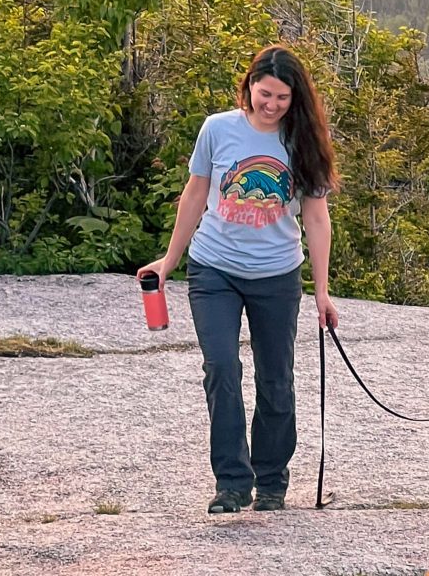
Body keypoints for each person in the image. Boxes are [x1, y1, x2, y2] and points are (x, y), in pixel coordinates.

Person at [137, 43, 339, 514]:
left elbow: (317, 219)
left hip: (277, 276)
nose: (270, 105)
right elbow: (195, 195)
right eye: (263, 93)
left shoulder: (302, 140)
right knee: (222, 369)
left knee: (276, 382)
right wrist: (169, 262)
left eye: (282, 98)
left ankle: (271, 481)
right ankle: (231, 482)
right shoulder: (217, 129)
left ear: (296, 99)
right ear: (249, 85)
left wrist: (322, 293)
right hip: (214, 271)